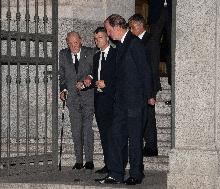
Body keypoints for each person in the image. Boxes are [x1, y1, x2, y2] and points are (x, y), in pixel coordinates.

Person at [99, 14, 154, 185]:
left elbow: (145, 71)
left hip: (135, 101)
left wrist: (150, 96)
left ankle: (136, 174)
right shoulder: (121, 45)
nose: (108, 34)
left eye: (108, 30)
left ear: (117, 27)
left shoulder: (134, 43)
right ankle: (116, 173)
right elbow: (119, 74)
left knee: (135, 139)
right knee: (116, 136)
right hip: (121, 102)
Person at [59, 31, 95, 170]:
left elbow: (96, 70)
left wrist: (89, 78)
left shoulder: (90, 52)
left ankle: (89, 161)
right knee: (76, 130)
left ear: (81, 40)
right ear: (67, 43)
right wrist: (63, 90)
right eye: (70, 43)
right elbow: (62, 75)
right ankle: (79, 161)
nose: (73, 46)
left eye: (75, 42)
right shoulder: (63, 54)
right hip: (72, 98)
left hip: (88, 96)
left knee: (87, 128)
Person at [84, 27, 117, 174]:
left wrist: (107, 84)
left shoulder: (116, 54)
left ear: (107, 38)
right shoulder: (97, 56)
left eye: (100, 38)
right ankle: (108, 164)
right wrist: (87, 81)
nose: (97, 41)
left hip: (112, 101)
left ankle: (116, 165)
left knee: (113, 134)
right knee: (104, 134)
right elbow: (95, 75)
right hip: (99, 100)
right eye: (95, 39)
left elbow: (121, 77)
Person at [128, 14, 158, 157]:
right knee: (142, 116)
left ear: (140, 26)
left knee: (149, 117)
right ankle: (143, 142)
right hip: (138, 86)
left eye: (132, 27)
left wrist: (151, 92)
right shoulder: (134, 41)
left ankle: (152, 146)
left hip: (149, 85)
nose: (131, 30)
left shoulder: (150, 40)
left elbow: (152, 67)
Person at [149, 0, 172, 105]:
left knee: (171, 51)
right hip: (156, 11)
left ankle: (174, 88)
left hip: (173, 11)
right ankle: (154, 86)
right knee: (153, 51)